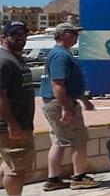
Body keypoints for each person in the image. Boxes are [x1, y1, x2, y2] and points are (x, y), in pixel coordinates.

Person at [39, 22, 100, 191]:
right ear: (63, 34)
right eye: (73, 33)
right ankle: (79, 177)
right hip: (61, 104)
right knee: (79, 141)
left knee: (59, 141)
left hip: (57, 103)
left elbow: (70, 83)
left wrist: (84, 100)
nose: (76, 36)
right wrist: (66, 108)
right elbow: (58, 85)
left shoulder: (61, 54)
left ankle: (53, 179)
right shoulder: (60, 56)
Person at [0, 22, 36, 196]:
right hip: (12, 126)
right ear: (4, 37)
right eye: (15, 34)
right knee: (16, 170)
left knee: (10, 165)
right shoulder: (5, 61)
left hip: (21, 123)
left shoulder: (16, 58)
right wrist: (11, 124)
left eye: (23, 34)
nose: (21, 37)